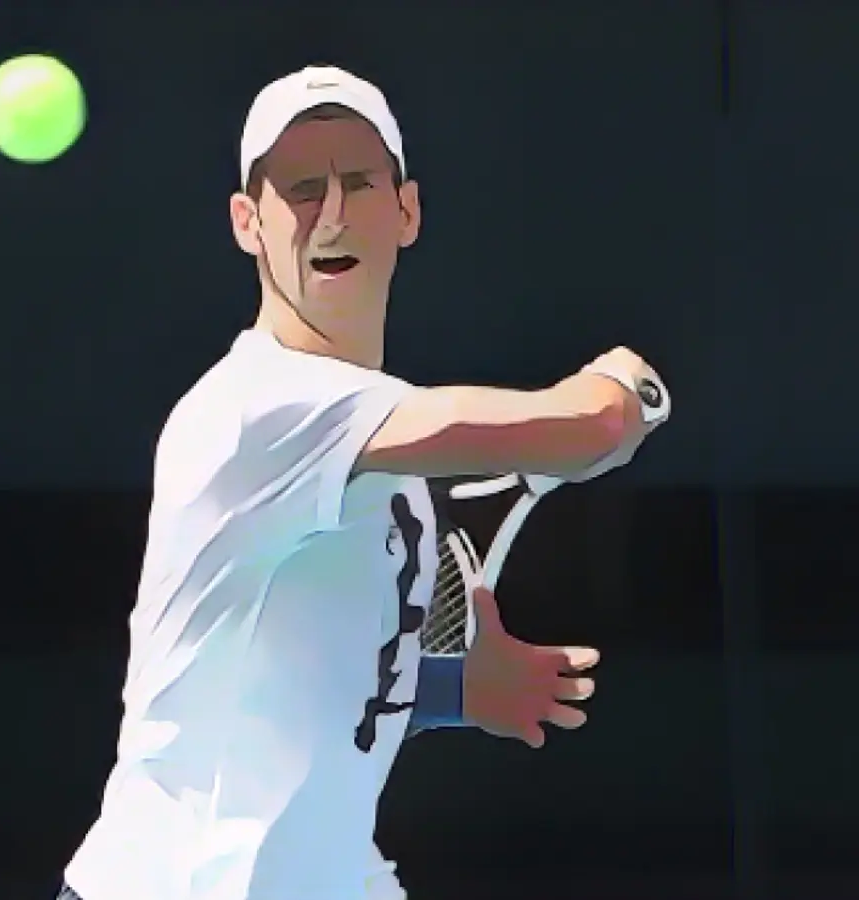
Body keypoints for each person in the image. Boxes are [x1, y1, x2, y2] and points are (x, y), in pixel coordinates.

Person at [62, 65, 664, 900]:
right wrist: (621, 398)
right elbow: (581, 432)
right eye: (302, 189)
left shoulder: (384, 460)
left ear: (407, 210)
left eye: (358, 181)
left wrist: (456, 690)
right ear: (249, 224)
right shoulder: (256, 408)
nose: (334, 212)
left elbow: (311, 687)